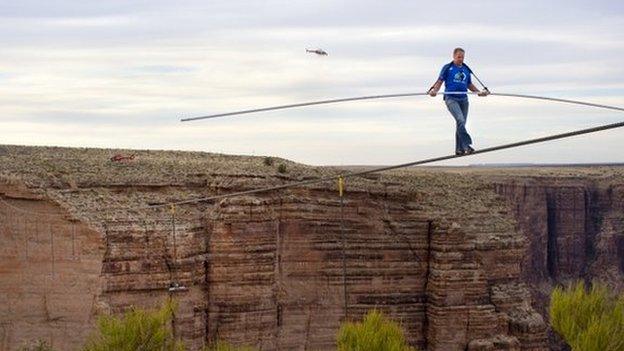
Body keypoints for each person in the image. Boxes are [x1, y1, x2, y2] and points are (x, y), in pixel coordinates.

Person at [428, 48, 489, 155]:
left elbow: (469, 84)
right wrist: (434, 91)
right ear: (454, 56)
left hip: (464, 100)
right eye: (459, 57)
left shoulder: (466, 69)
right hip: (451, 98)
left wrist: (479, 92)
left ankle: (459, 149)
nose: (461, 59)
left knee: (461, 124)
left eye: (463, 57)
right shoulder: (448, 68)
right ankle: (466, 146)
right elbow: (439, 81)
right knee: (460, 120)